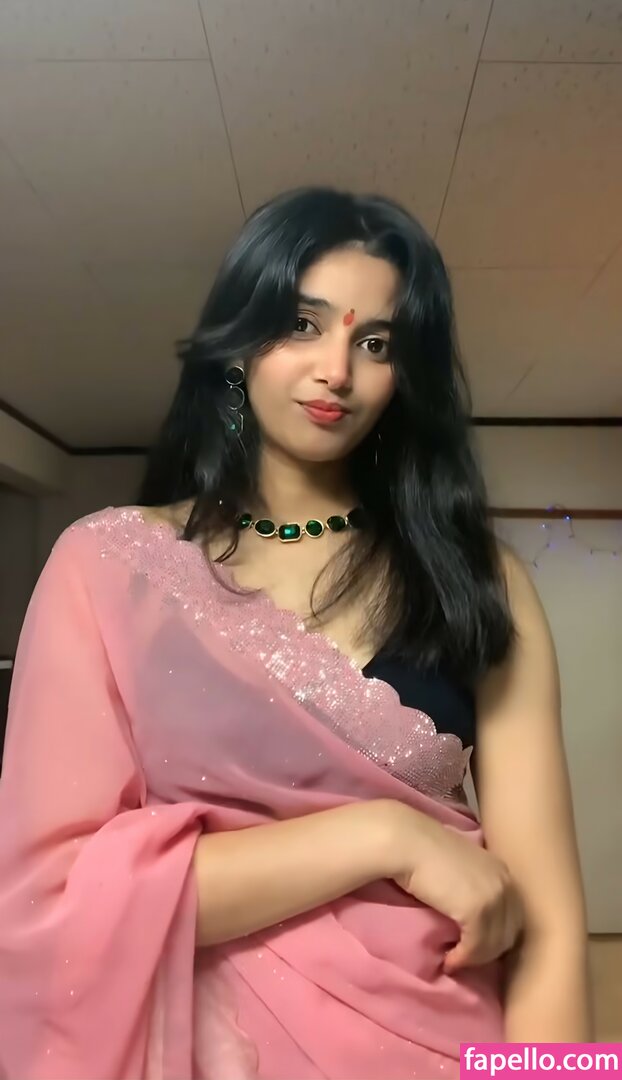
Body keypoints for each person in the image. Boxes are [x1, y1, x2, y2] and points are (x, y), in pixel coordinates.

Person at [0, 187, 591, 1079]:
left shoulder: (479, 577)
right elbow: (57, 899)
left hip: (443, 1047)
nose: (336, 371)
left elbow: (547, 931)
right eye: (301, 325)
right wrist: (385, 836)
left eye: (376, 343)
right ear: (239, 343)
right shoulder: (109, 567)